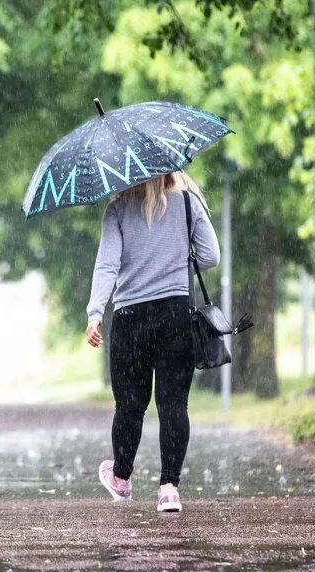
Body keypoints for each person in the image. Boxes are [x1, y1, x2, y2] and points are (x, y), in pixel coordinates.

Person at [85, 169, 220, 513]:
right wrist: (177, 256)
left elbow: (107, 265)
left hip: (131, 319)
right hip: (176, 313)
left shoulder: (118, 209)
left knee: (130, 405)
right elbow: (210, 257)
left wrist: (95, 313)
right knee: (173, 403)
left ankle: (121, 477)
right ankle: (169, 488)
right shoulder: (188, 202)